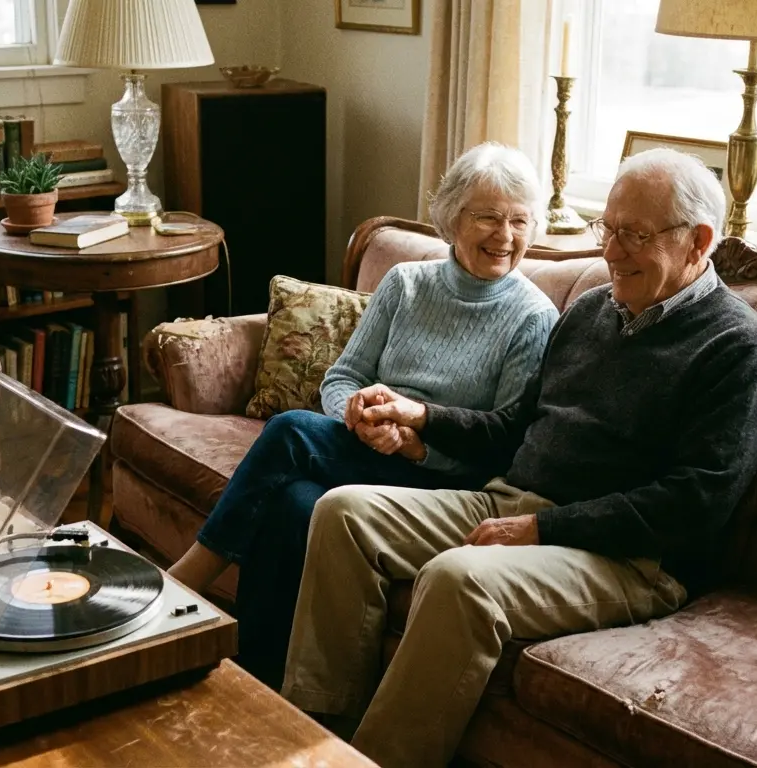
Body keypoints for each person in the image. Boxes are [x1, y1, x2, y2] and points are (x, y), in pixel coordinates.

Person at [279, 148, 757, 768]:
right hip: (514, 501)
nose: (611, 250)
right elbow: (514, 428)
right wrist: (422, 416)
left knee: (459, 578)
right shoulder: (595, 310)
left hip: (629, 558)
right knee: (343, 513)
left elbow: (694, 504)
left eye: (634, 235)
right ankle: (315, 730)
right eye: (608, 228)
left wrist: (542, 528)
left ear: (698, 241)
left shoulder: (737, 348)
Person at [166, 142, 561, 691]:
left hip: (442, 476)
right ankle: (255, 681)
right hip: (364, 447)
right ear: (452, 219)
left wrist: (415, 445)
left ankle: (184, 585)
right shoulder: (405, 284)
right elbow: (341, 379)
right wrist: (354, 414)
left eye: (520, 220)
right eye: (489, 217)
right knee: (294, 502)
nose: (505, 235)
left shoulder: (533, 318)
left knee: (288, 431)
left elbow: (504, 444)